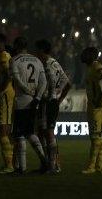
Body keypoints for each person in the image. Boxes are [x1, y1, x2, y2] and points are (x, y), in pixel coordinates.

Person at [9, 36, 48, 174]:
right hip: (34, 102)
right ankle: (44, 160)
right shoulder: (37, 60)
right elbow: (44, 82)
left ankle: (22, 168)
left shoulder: (14, 60)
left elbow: (17, 80)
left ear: (16, 46)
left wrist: (26, 90)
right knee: (30, 132)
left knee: (19, 135)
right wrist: (37, 97)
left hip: (21, 100)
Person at [35, 39, 71, 173]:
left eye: (38, 50)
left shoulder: (47, 66)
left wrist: (50, 96)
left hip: (47, 102)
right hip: (52, 101)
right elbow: (67, 83)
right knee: (42, 133)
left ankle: (52, 165)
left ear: (42, 50)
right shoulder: (55, 63)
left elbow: (50, 82)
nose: (36, 53)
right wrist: (59, 98)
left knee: (47, 133)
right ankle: (50, 164)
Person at [80, 46, 102, 175]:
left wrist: (100, 97)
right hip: (93, 104)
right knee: (97, 136)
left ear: (92, 56)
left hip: (98, 105)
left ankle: (92, 166)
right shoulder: (89, 68)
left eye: (86, 54)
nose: (83, 56)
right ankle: (100, 166)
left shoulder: (96, 65)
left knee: (95, 136)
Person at [0, 32, 15, 174]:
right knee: (6, 131)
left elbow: (7, 74)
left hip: (6, 96)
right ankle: (11, 163)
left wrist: (0, 90)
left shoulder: (4, 57)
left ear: (3, 44)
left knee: (3, 131)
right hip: (6, 95)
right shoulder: (0, 57)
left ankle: (9, 165)